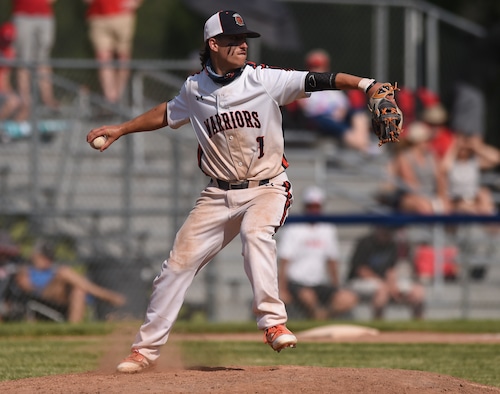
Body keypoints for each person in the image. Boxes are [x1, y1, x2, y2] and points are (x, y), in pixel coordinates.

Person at [86, 10, 398, 373]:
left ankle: (273, 323)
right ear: (213, 44)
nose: (242, 45)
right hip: (216, 194)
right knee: (176, 266)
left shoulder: (264, 79)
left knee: (255, 233)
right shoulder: (194, 88)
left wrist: (366, 84)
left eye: (244, 39)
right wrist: (122, 129)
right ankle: (144, 351)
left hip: (266, 187)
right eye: (233, 40)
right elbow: (167, 113)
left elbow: (320, 79)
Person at [277, 186, 357, 320]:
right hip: (297, 282)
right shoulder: (294, 228)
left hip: (319, 283)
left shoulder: (327, 229)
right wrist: (282, 288)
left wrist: (337, 286)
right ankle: (317, 316)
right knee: (308, 296)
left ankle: (323, 315)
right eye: (310, 206)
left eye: (316, 206)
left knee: (348, 298)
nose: (313, 210)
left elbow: (332, 261)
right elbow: (284, 261)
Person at [14, 239, 126, 323]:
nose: (47, 260)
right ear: (35, 255)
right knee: (64, 271)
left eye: (50, 257)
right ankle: (105, 295)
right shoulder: (26, 270)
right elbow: (26, 289)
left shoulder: (52, 269)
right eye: (44, 257)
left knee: (78, 290)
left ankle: (74, 330)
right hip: (42, 296)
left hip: (62, 298)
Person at [296, 49, 373, 153]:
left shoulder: (331, 85)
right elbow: (307, 110)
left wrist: (340, 112)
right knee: (330, 123)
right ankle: (363, 147)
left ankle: (363, 142)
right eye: (314, 66)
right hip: (320, 119)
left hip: (338, 116)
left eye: (320, 65)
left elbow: (343, 104)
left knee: (358, 113)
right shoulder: (303, 85)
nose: (317, 69)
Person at [347, 226, 425, 320]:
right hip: (359, 282)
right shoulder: (365, 242)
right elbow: (361, 270)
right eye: (385, 231)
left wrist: (392, 287)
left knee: (418, 291)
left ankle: (417, 327)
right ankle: (378, 324)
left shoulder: (392, 244)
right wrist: (384, 285)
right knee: (381, 291)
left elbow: (391, 270)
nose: (387, 234)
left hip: (384, 282)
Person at [84, 0, 143, 105]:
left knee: (123, 58)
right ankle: (110, 100)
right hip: (98, 16)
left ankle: (118, 97)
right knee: (103, 58)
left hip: (122, 15)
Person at [12, 0, 59, 120]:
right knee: (23, 61)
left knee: (43, 60)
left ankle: (48, 101)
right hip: (23, 14)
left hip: (45, 15)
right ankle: (25, 104)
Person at [392, 121, 450, 214]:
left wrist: (442, 198)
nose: (429, 142)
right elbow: (411, 185)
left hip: (429, 195)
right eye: (426, 140)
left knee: (446, 206)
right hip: (410, 196)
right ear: (417, 141)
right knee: (423, 206)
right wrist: (430, 201)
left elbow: (440, 179)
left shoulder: (431, 156)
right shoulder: (404, 158)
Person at [0, 22, 22, 121]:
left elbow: (6, 76)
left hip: (2, 90)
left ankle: (12, 132)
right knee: (13, 101)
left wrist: (9, 91)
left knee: (24, 102)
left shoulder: (10, 53)